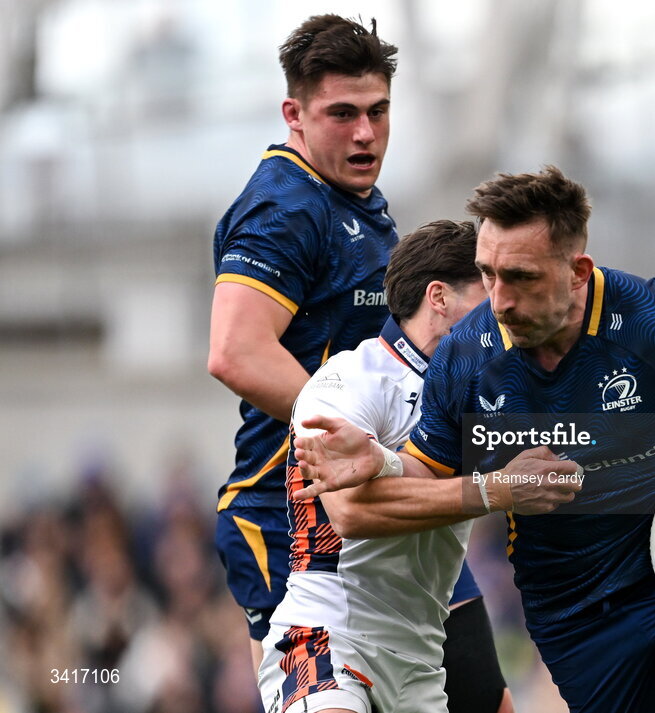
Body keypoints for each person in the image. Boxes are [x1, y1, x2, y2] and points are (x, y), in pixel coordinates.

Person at [292, 166, 655, 713]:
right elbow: (431, 481)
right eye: (487, 275)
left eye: (521, 277)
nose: (499, 300)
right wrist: (382, 463)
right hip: (576, 619)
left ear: (578, 270)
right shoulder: (466, 355)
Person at [205, 15, 530, 713]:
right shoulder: (282, 206)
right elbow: (236, 351)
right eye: (342, 114)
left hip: (396, 514)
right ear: (294, 114)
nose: (365, 133)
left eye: (378, 112)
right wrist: (361, 447)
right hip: (297, 520)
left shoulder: (359, 202)